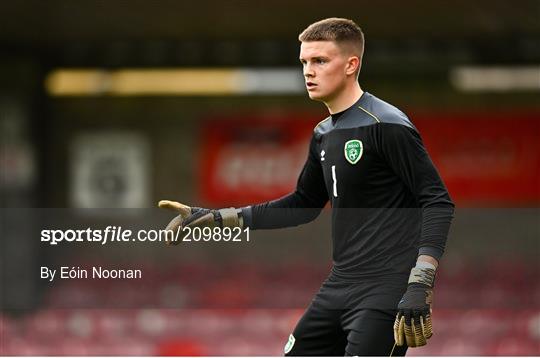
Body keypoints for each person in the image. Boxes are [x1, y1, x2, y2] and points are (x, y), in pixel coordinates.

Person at [159, 17, 454, 356]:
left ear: (351, 65)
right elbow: (303, 204)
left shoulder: (387, 125)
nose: (308, 71)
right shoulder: (323, 134)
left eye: (320, 61)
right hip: (339, 285)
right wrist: (216, 218)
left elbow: (437, 201)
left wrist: (420, 281)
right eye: (304, 62)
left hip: (386, 289)